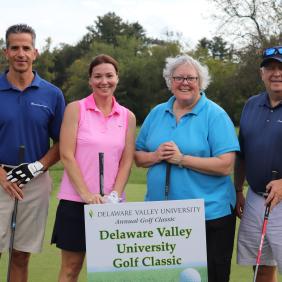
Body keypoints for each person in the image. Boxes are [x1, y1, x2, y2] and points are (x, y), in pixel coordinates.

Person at [135, 54, 239, 282]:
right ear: (170, 81)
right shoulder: (156, 113)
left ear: (200, 82)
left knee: (210, 277)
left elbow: (225, 165)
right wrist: (155, 155)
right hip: (162, 217)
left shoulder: (216, 115)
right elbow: (137, 156)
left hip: (209, 216)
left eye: (190, 78)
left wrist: (182, 158)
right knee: (167, 277)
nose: (184, 83)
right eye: (178, 77)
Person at [51, 54, 136, 281]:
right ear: (90, 80)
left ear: (117, 78)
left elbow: (126, 160)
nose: (104, 81)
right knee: (71, 268)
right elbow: (66, 155)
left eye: (109, 75)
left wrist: (114, 196)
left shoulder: (128, 116)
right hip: (75, 202)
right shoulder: (75, 109)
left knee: (110, 273)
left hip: (112, 205)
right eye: (97, 76)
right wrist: (86, 195)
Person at [0, 24, 65, 281]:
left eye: (26, 48)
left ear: (35, 52)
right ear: (6, 52)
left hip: (35, 182)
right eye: (14, 48)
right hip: (0, 179)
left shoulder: (52, 94)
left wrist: (37, 167)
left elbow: (63, 143)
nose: (20, 53)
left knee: (20, 254)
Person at [235, 46, 282, 282]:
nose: (277, 73)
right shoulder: (251, 104)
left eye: (281, 68)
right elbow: (241, 152)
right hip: (255, 197)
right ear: (261, 73)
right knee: (260, 265)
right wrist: (237, 191)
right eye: (271, 68)